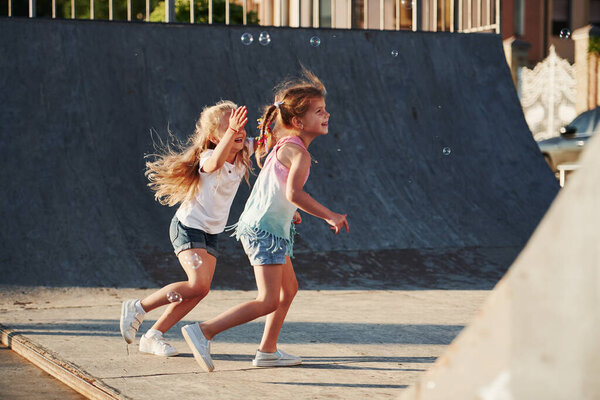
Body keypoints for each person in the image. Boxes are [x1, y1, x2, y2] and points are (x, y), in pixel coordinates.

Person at [180, 70, 349, 372]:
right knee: (269, 299)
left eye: (325, 109)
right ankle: (203, 331)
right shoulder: (297, 152)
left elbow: (274, 189)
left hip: (267, 227)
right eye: (319, 111)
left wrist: (289, 210)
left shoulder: (286, 147)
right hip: (265, 232)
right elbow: (294, 192)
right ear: (298, 122)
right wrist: (330, 215)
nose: (327, 114)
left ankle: (267, 351)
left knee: (289, 289)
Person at [119, 100, 254, 357]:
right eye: (229, 128)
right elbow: (214, 163)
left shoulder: (243, 150)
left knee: (201, 289)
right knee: (195, 285)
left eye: (240, 126)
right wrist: (231, 133)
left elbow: (274, 138)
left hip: (211, 232)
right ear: (214, 137)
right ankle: (138, 307)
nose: (238, 132)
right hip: (188, 227)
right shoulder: (207, 157)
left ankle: (152, 335)